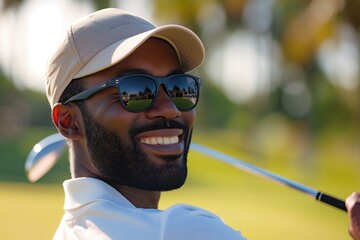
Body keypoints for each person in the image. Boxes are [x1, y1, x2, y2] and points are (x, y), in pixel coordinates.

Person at [46, 8, 246, 239]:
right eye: (136, 90)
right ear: (68, 121)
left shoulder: (67, 232)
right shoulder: (183, 231)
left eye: (179, 86)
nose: (170, 109)